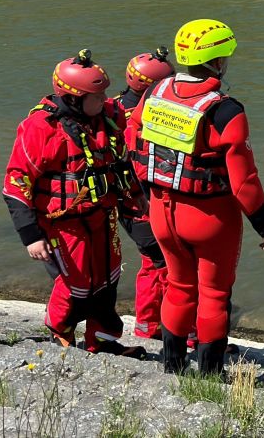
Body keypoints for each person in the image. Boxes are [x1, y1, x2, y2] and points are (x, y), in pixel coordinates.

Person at [125, 19, 264, 376]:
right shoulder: (226, 110)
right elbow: (244, 183)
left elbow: (134, 145)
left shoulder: (155, 91)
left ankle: (173, 366)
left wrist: (149, 195)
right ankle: (210, 374)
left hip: (162, 211)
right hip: (210, 218)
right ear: (219, 62)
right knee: (213, 294)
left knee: (178, 286)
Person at [2, 49, 145, 357]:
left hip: (102, 215)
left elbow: (122, 162)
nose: (105, 98)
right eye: (97, 94)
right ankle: (60, 332)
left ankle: (103, 341)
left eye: (105, 92)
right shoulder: (41, 128)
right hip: (62, 222)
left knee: (108, 280)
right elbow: (16, 184)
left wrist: (137, 199)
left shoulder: (108, 117)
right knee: (77, 284)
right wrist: (31, 236)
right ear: (73, 97)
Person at [112, 48, 174, 341]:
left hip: (123, 204)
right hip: (145, 203)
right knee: (163, 263)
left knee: (153, 261)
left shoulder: (108, 108)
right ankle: (162, 325)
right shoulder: (151, 118)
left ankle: (149, 324)